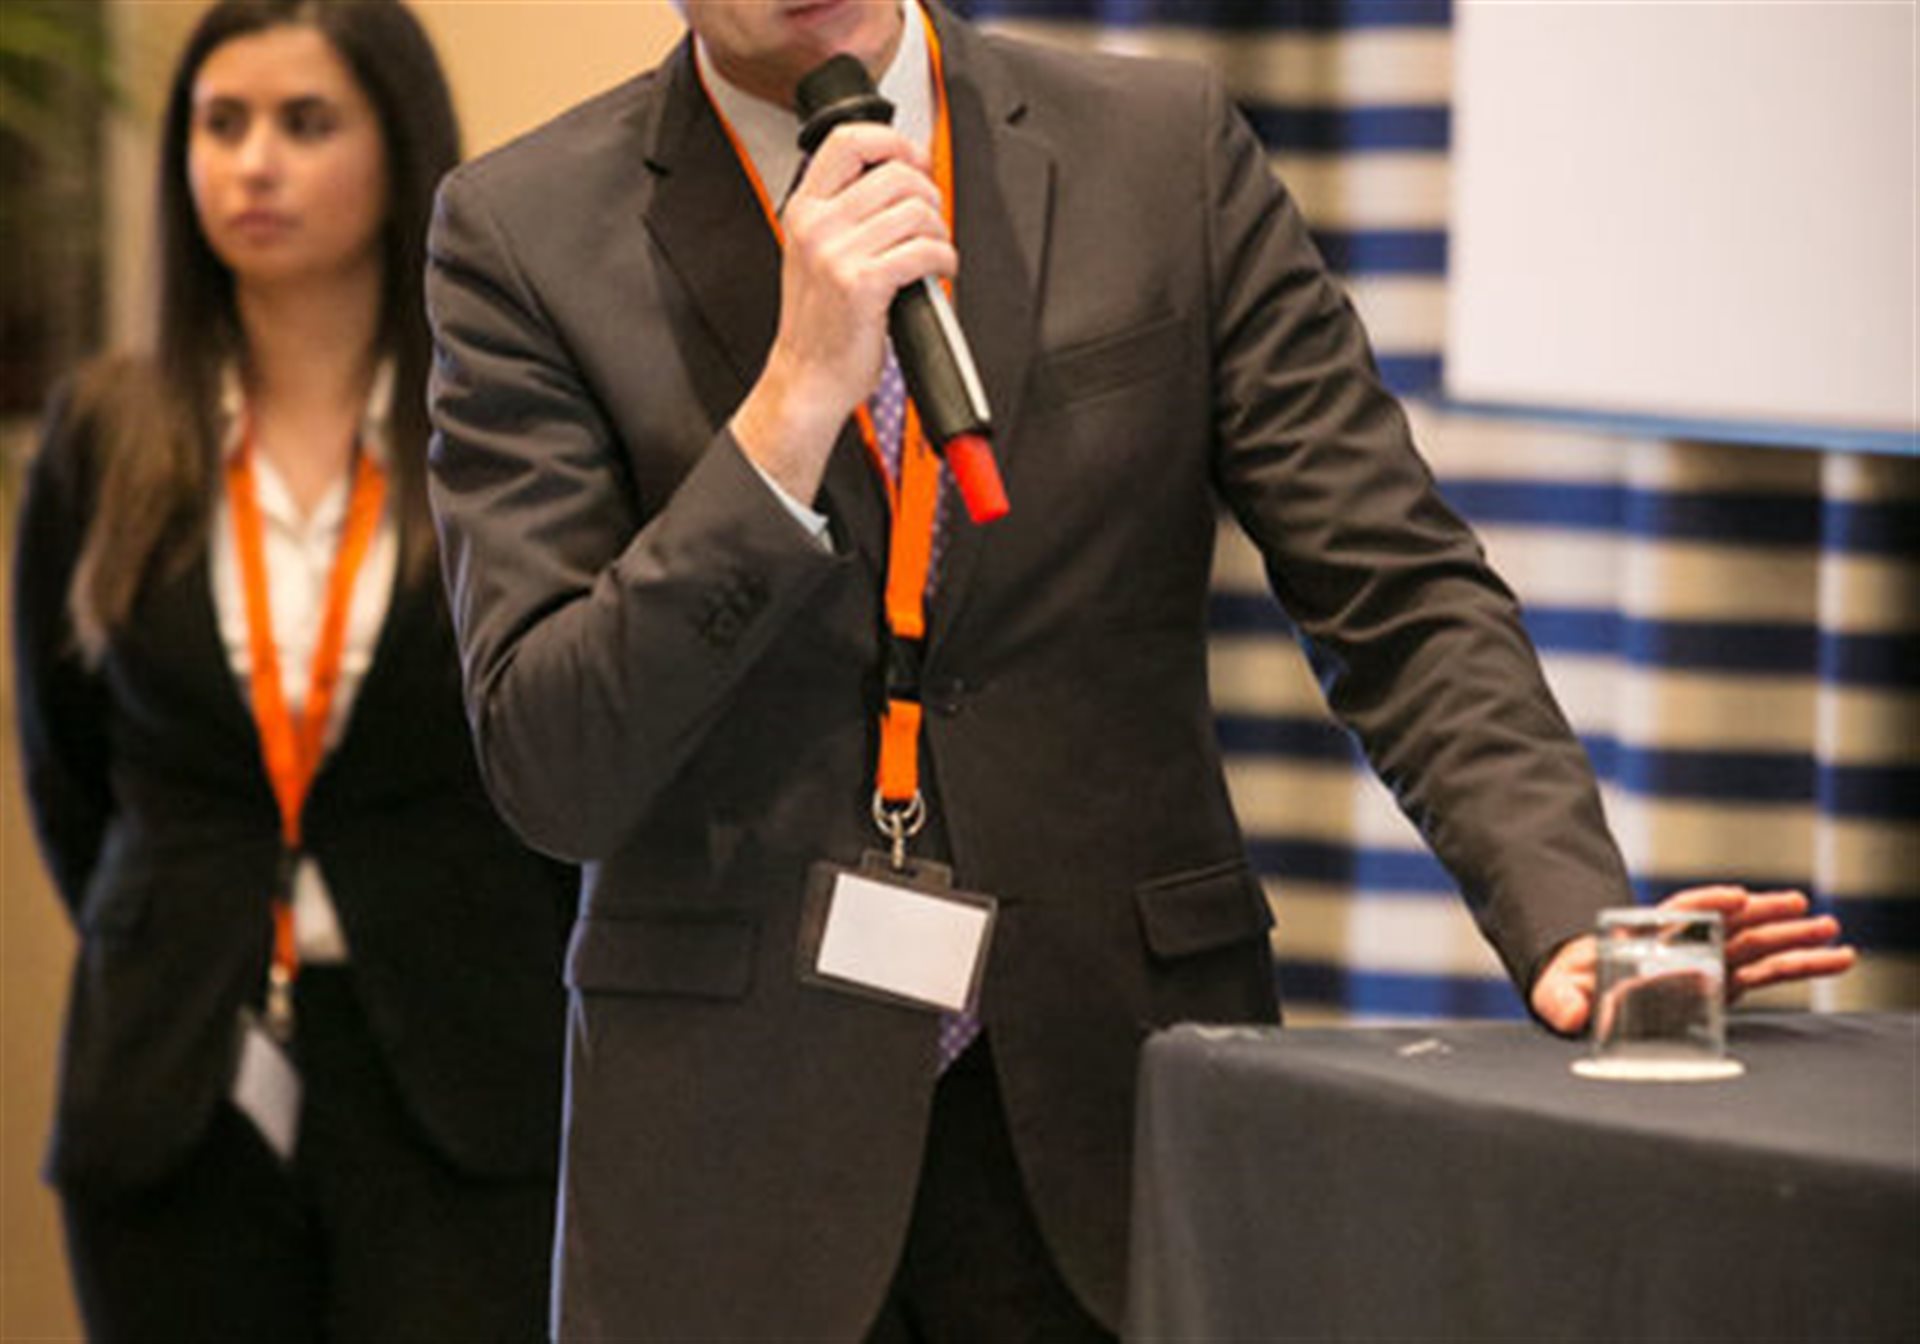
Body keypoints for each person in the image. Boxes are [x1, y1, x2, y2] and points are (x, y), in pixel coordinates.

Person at [422, 1, 1855, 1339]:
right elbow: (554, 766)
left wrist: (1567, 918)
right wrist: (792, 406)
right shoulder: (522, 232)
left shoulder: (1158, 153)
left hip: (1121, 1104)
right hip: (735, 1165)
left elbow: (1399, 589)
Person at [10, 2, 573, 1339]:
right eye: (222, 124)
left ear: (401, 148)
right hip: (175, 1075)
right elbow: (67, 766)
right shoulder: (106, 431)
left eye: (305, 124)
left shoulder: (502, 421)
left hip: (459, 1071)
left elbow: (562, 742)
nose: (253, 164)